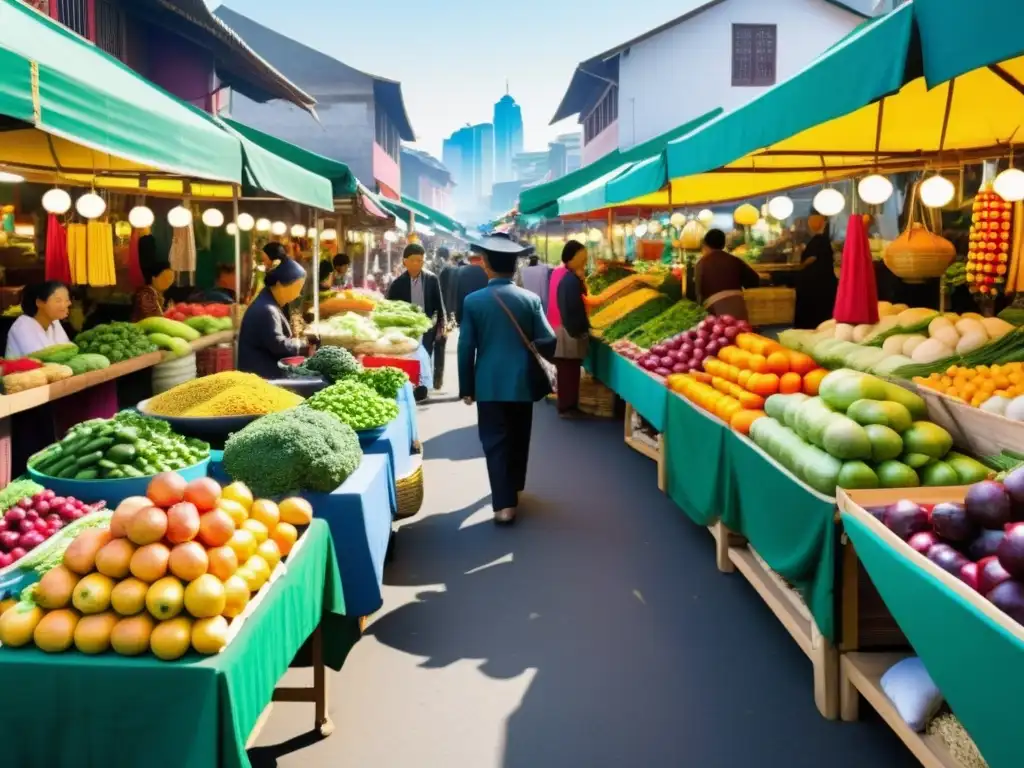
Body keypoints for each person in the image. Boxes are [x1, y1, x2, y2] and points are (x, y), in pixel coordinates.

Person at [459, 233, 556, 526]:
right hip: (522, 382)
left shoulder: (473, 301)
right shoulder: (530, 299)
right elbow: (548, 338)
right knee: (518, 436)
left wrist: (466, 387)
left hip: (488, 383)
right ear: (514, 268)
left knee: (495, 441)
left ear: (486, 266)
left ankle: (504, 505)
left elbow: (466, 348)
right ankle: (513, 487)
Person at [237, 249, 313, 379]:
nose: (298, 294)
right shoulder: (267, 310)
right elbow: (278, 345)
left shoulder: (268, 302)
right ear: (279, 284)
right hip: (261, 377)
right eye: (296, 288)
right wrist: (305, 344)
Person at [387, 243, 446, 399]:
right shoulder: (397, 283)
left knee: (425, 355)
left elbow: (439, 305)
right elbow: (389, 307)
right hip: (407, 329)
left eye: (420, 260)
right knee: (410, 357)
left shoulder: (431, 279)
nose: (416, 264)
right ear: (404, 261)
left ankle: (424, 386)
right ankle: (413, 386)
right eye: (413, 260)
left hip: (427, 327)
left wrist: (442, 325)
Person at [554, 242, 591, 417]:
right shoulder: (570, 280)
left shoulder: (570, 278)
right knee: (568, 371)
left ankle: (568, 405)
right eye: (582, 256)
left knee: (570, 370)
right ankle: (567, 407)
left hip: (568, 330)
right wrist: (578, 330)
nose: (585, 259)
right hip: (570, 332)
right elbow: (570, 308)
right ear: (572, 258)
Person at [694, 229, 762, 322]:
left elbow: (698, 293)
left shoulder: (701, 264)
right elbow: (754, 280)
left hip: (714, 310)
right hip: (738, 306)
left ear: (705, 245)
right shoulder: (734, 260)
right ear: (723, 244)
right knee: (742, 333)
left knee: (720, 334)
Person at [793, 218, 839, 329]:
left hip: (813, 282)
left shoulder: (818, 240)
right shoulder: (823, 240)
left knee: (811, 311)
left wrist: (801, 266)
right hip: (825, 281)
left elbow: (812, 258)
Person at [6, 281, 71, 358]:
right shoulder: (23, 326)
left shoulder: (55, 322)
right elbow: (44, 359)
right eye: (58, 301)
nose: (68, 304)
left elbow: (69, 350)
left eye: (66, 300)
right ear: (39, 303)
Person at [131, 254, 174, 322]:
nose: (168, 282)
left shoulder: (159, 295)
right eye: (165, 278)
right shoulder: (145, 295)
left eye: (171, 279)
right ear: (153, 278)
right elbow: (155, 319)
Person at [455, 253, 489, 325]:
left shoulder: (460, 271)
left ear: (470, 260)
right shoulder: (488, 273)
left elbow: (457, 294)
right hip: (484, 314)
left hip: (465, 313)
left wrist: (458, 316)